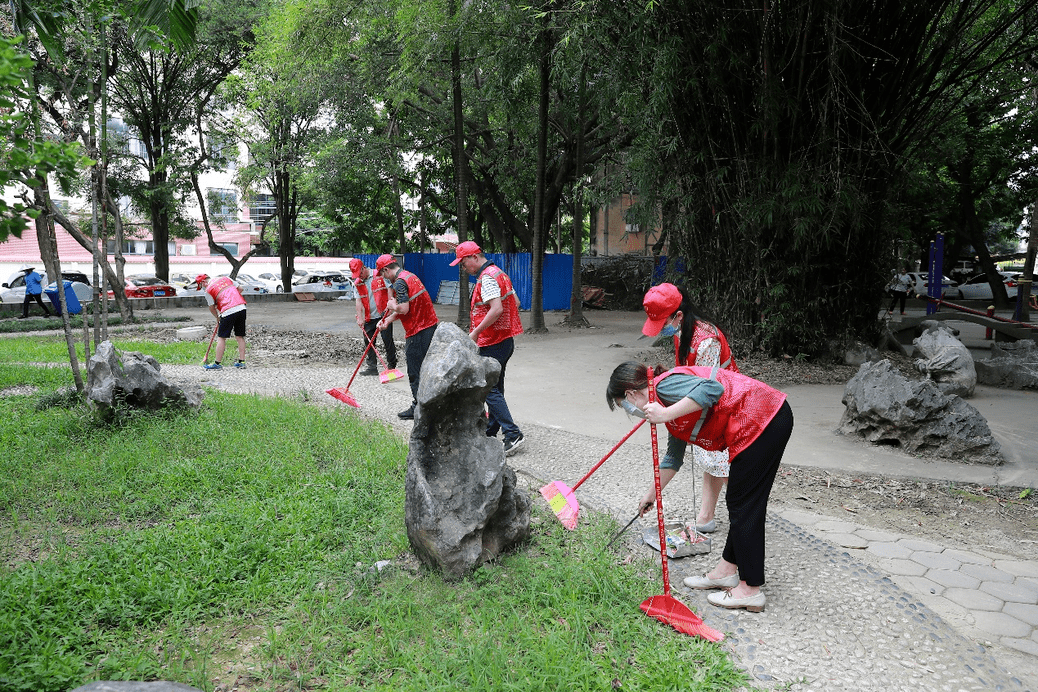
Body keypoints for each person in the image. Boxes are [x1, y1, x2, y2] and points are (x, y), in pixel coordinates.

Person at [606, 361, 793, 612]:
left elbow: (711, 389)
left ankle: (750, 590)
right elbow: (673, 459)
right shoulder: (669, 404)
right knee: (740, 502)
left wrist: (665, 414)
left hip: (763, 418)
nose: (632, 411)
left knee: (745, 504)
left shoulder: (665, 386)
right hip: (757, 422)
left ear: (630, 394)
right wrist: (650, 495)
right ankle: (725, 572)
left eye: (625, 406)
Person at [641, 283, 737, 533]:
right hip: (705, 396)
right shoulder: (681, 332)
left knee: (717, 457)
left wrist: (668, 414)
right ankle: (706, 517)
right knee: (712, 457)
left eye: (662, 323)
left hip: (727, 400)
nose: (661, 330)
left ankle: (748, 512)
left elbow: (709, 391)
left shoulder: (707, 342)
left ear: (678, 316)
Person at [451, 241, 526, 455]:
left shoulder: (487, 278)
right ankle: (491, 429)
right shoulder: (500, 273)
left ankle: (513, 434)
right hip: (505, 341)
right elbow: (516, 303)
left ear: (475, 257)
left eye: (464, 263)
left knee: (488, 388)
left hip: (492, 342)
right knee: (496, 387)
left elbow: (496, 309)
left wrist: (475, 332)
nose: (463, 269)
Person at [375, 255, 439, 420]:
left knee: (415, 372)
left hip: (418, 330)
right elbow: (409, 307)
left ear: (386, 270)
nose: (383, 278)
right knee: (426, 370)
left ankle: (420, 409)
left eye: (382, 274)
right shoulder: (410, 276)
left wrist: (391, 306)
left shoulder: (400, 283)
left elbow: (403, 308)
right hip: (428, 326)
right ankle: (428, 406)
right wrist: (388, 320)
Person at [350, 258, 397, 376]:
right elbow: (358, 301)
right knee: (368, 342)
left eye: (359, 273)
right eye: (356, 275)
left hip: (383, 314)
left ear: (363, 268)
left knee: (388, 341)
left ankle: (391, 366)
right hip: (368, 317)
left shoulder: (379, 274)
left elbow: (390, 287)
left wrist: (390, 305)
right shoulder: (357, 283)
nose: (358, 277)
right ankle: (372, 367)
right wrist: (360, 317)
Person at [196, 273, 248, 370]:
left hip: (228, 311)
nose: (202, 287)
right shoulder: (226, 278)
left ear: (203, 282)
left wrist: (217, 317)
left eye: (201, 285)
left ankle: (217, 363)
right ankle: (242, 362)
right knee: (239, 336)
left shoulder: (208, 290)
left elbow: (211, 308)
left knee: (221, 338)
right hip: (241, 307)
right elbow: (240, 289)